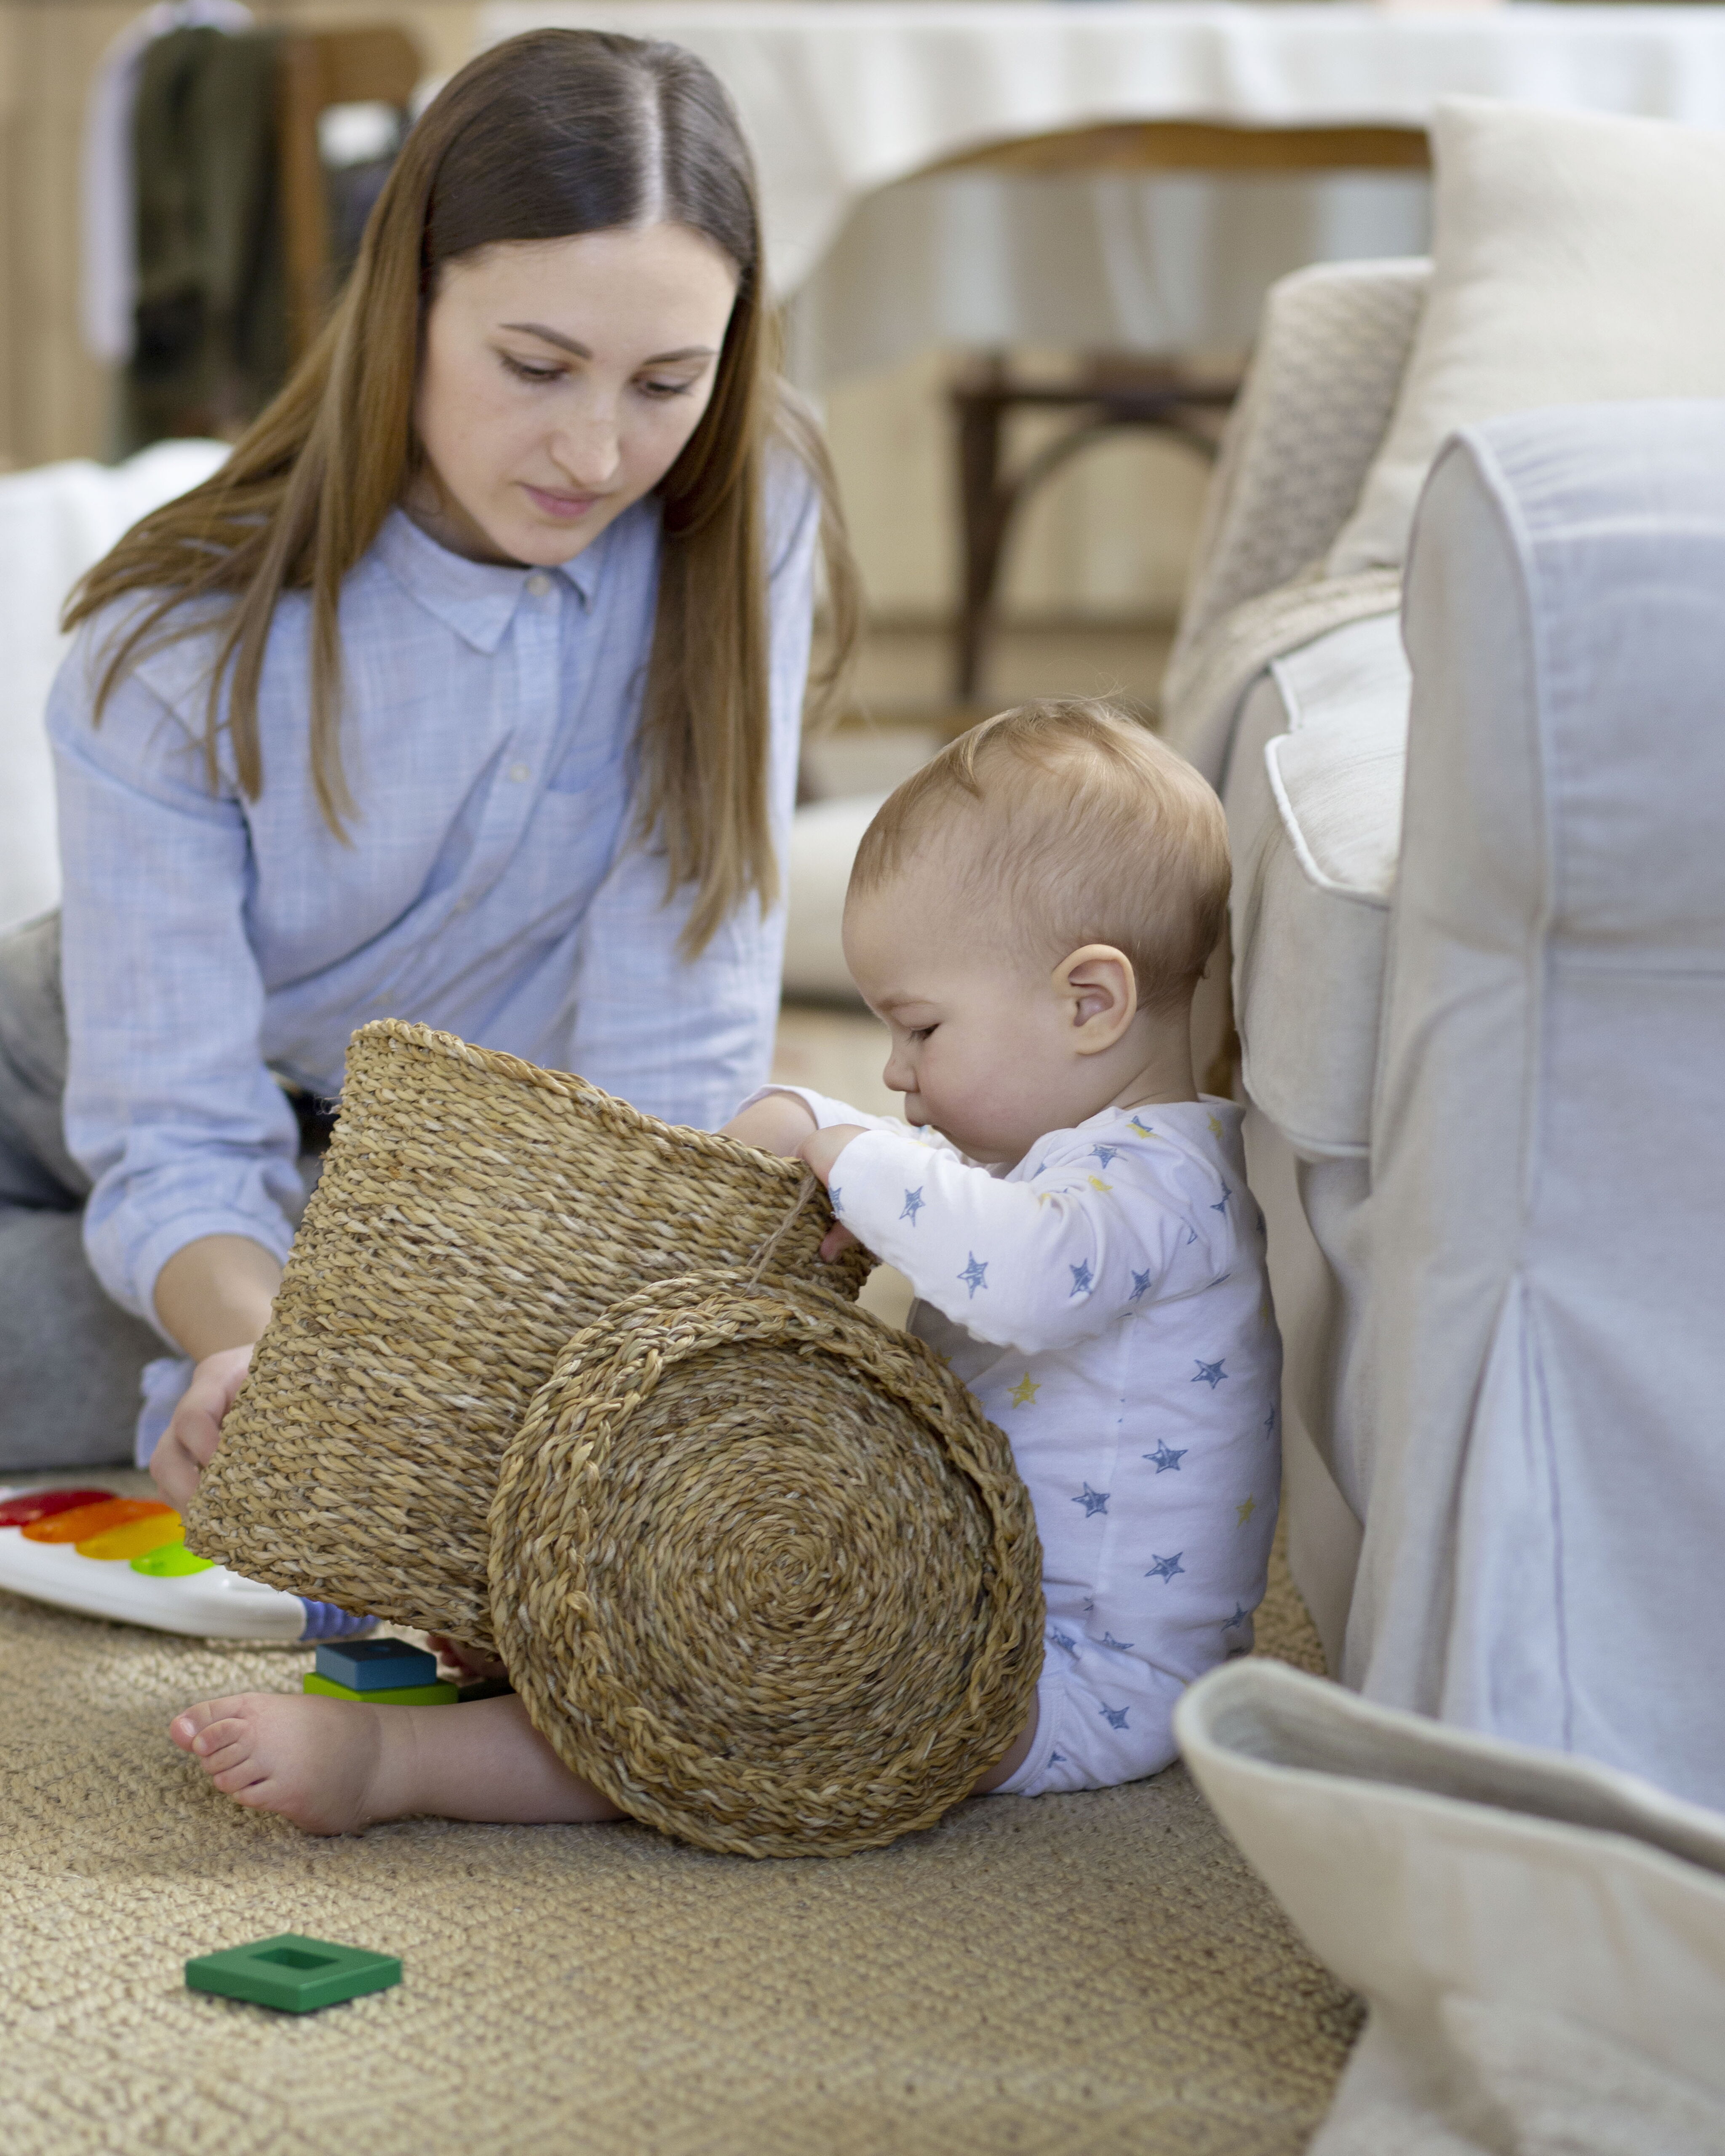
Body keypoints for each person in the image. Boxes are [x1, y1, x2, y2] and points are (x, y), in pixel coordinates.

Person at [168, 700, 1281, 1831]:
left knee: (718, 1707)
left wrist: (852, 1150)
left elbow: (1027, 1279)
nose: (897, 1074)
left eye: (923, 1031)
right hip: (970, 1601)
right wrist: (815, 1130)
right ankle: (531, 1650)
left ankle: (401, 1763)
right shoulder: (1077, 1168)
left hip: (1079, 1681)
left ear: (1090, 1004)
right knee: (683, 1598)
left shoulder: (1165, 1182)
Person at [0, 29, 857, 1485]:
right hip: (88, 1061)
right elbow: (175, 1127)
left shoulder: (743, 514)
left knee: (414, 1415)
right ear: (406, 305)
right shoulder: (176, 639)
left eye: (666, 382)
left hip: (403, 1176)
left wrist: (666, 1290)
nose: (595, 452)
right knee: (277, 1392)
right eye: (536, 366)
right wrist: (252, 1343)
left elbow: (676, 1025)